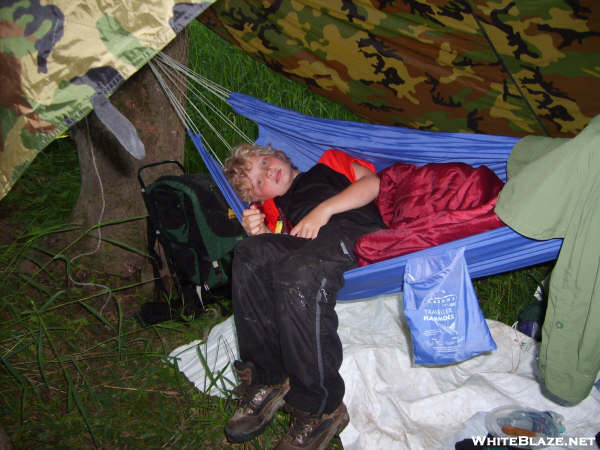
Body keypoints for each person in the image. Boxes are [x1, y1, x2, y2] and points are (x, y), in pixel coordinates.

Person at [223, 143, 384, 449]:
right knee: (249, 253)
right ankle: (267, 378)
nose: (268, 172)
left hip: (355, 231)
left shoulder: (330, 163)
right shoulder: (274, 210)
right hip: (310, 251)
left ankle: (319, 407)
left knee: (299, 274)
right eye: (259, 182)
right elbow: (272, 263)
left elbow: (372, 184)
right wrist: (259, 234)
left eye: (266, 162)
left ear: (280, 154)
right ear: (260, 198)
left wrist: (323, 211)